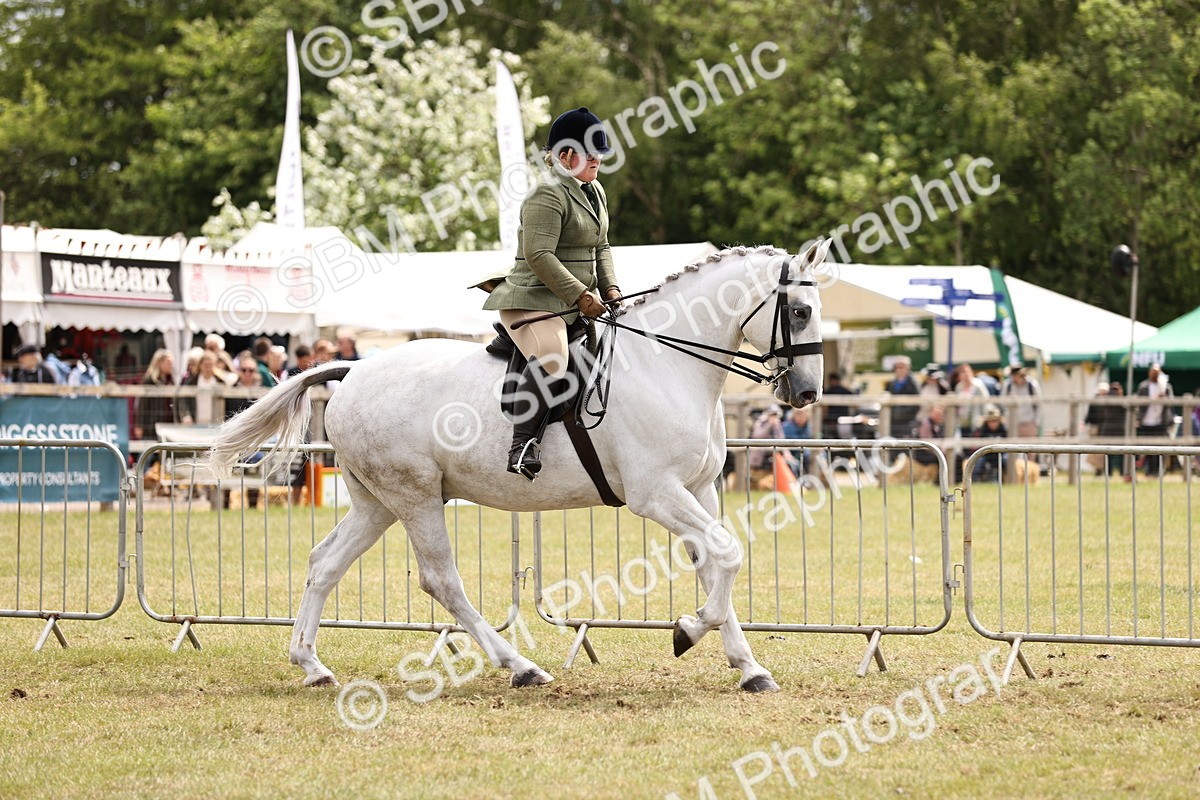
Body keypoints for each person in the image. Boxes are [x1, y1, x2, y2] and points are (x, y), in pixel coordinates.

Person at [480, 106, 621, 480]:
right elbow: (539, 255)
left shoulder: (595, 191)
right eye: (590, 153)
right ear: (565, 155)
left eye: (599, 152)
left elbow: (602, 245)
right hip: (532, 298)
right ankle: (522, 445)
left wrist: (610, 286)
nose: (597, 159)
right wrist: (581, 295)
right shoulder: (546, 193)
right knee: (554, 357)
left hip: (572, 303)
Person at [1135, 363, 1175, 475]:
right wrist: (1153, 399)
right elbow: (1139, 403)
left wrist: (1164, 397)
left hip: (1161, 422)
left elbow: (1172, 402)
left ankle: (1159, 471)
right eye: (1153, 372)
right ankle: (1149, 471)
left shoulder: (1166, 387)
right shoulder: (1143, 386)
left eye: (1157, 373)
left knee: (1161, 448)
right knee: (1147, 449)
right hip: (1146, 422)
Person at [135, 349, 178, 443]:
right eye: (168, 362)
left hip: (168, 425)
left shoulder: (171, 381)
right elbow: (142, 404)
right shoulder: (149, 381)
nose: (171, 365)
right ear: (159, 363)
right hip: (151, 425)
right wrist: (140, 425)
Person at [1085, 382, 1127, 476]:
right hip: (1110, 430)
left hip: (1113, 430)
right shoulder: (1104, 401)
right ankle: (1108, 472)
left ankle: (1119, 472)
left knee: (1120, 453)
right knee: (1108, 453)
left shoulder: (1115, 401)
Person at [178, 351, 222, 426]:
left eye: (210, 365)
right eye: (205, 365)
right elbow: (183, 400)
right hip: (195, 422)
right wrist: (186, 415)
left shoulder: (220, 381)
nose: (208, 368)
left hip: (216, 423)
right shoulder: (192, 381)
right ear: (200, 365)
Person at [884, 357, 920, 439]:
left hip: (907, 422)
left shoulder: (913, 383)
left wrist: (903, 414)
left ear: (907, 368)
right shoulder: (891, 383)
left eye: (901, 367)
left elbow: (917, 403)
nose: (898, 370)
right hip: (893, 422)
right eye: (896, 367)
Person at [1002, 365, 1041, 439]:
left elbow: (1039, 404)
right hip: (1013, 423)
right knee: (1013, 446)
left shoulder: (1032, 385)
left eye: (1015, 375)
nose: (1013, 378)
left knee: (1030, 445)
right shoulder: (1008, 385)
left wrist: (1036, 422)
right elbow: (1003, 402)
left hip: (1029, 422)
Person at [970, 405, 1008, 481]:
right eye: (990, 421)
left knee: (1007, 460)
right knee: (978, 462)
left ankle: (1009, 481)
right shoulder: (982, 430)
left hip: (1001, 454)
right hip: (986, 455)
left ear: (999, 421)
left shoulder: (1004, 430)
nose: (992, 423)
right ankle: (975, 482)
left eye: (995, 421)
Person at [952, 363, 990, 435]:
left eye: (967, 371)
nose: (966, 374)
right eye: (963, 372)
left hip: (976, 420)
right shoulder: (958, 387)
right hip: (963, 421)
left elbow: (986, 402)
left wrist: (983, 418)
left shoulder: (978, 385)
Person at [748, 405, 785, 471]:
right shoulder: (760, 421)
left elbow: (781, 439)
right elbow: (757, 435)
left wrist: (786, 454)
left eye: (775, 414)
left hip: (773, 453)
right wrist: (769, 424)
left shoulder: (777, 423)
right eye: (772, 414)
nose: (774, 416)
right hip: (759, 455)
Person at [822, 372, 857, 437]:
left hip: (832, 420)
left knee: (832, 438)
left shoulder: (829, 391)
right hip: (844, 420)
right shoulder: (846, 391)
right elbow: (855, 405)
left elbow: (825, 408)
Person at [782, 407, 812, 475]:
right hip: (792, 454)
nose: (801, 416)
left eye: (803, 413)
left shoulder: (811, 427)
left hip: (807, 454)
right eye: (798, 413)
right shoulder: (786, 427)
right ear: (793, 414)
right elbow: (782, 443)